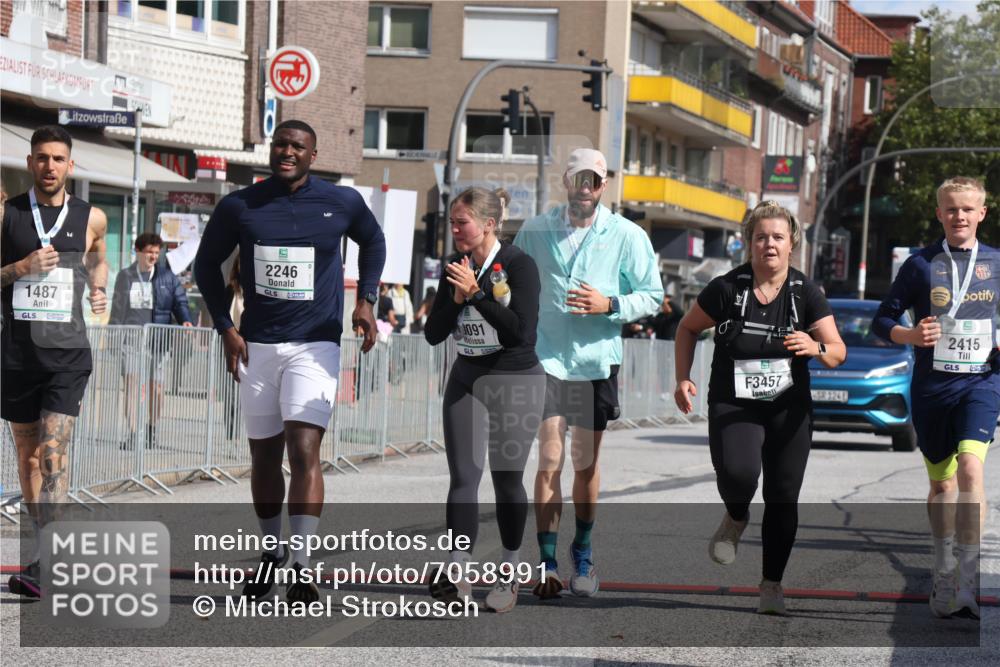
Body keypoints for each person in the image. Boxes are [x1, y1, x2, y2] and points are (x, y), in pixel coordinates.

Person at [194, 120, 386, 604]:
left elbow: (374, 241)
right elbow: (206, 265)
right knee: (263, 457)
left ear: (312, 154)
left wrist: (366, 300)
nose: (287, 151)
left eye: (297, 146)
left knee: (303, 450)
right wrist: (226, 328)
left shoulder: (341, 202)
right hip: (257, 345)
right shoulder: (240, 205)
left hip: (315, 344)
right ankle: (271, 551)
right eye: (280, 143)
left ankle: (301, 562)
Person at [674, 200, 845, 615]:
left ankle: (772, 584)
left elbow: (837, 351)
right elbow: (687, 328)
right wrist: (682, 377)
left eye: (778, 237)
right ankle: (736, 515)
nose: (769, 244)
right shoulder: (726, 289)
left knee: (783, 495)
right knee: (739, 474)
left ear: (791, 245)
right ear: (749, 242)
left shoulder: (806, 292)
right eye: (761, 237)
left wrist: (816, 347)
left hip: (789, 407)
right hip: (735, 402)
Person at [514, 148, 663, 598]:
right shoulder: (535, 230)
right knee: (549, 460)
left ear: (603, 186)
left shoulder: (627, 235)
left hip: (596, 362)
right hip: (546, 359)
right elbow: (513, 282)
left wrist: (610, 304)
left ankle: (582, 549)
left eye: (594, 181)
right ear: (566, 180)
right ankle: (546, 563)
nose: (585, 188)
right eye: (579, 178)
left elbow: (652, 295)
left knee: (585, 465)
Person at [873, 177, 996, 620]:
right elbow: (882, 320)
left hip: (982, 383)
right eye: (951, 209)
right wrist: (909, 335)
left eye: (967, 209)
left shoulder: (997, 263)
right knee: (943, 485)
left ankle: (967, 579)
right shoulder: (919, 264)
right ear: (939, 213)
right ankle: (944, 569)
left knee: (971, 468)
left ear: (982, 213)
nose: (959, 216)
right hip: (932, 388)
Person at [424, 186, 544, 613]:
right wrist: (457, 300)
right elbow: (433, 334)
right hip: (468, 378)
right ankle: (458, 572)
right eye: (452, 222)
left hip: (514, 380)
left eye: (462, 223)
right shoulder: (454, 267)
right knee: (463, 478)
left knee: (507, 479)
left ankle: (509, 569)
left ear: (489, 224)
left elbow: (520, 332)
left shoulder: (518, 264)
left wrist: (476, 295)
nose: (455, 230)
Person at [1, 125, 109, 597]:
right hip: (16, 356)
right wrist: (21, 268)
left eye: (58, 158)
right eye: (42, 158)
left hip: (67, 355)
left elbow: (99, 256)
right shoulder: (7, 215)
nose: (50, 166)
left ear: (71, 165)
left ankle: (49, 561)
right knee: (27, 459)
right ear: (30, 162)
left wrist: (99, 286)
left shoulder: (91, 217)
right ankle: (40, 552)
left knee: (51, 455)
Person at [109, 232, 194, 448]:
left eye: (156, 253)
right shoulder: (125, 276)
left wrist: (185, 320)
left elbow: (180, 301)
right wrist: (112, 336)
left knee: (156, 387)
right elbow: (117, 308)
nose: (153, 256)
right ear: (138, 251)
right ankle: (133, 433)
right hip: (131, 339)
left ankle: (151, 429)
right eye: (149, 252)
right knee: (131, 385)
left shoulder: (167, 277)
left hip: (158, 339)